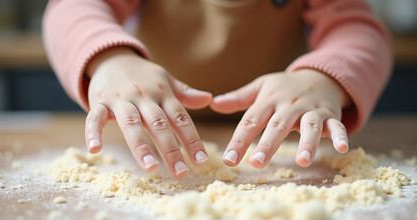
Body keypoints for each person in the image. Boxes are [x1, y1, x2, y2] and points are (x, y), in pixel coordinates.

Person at [42, 0, 392, 178]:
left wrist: (324, 78)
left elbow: (359, 31)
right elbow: (73, 7)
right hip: (153, 136)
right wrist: (109, 58)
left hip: (284, 139)